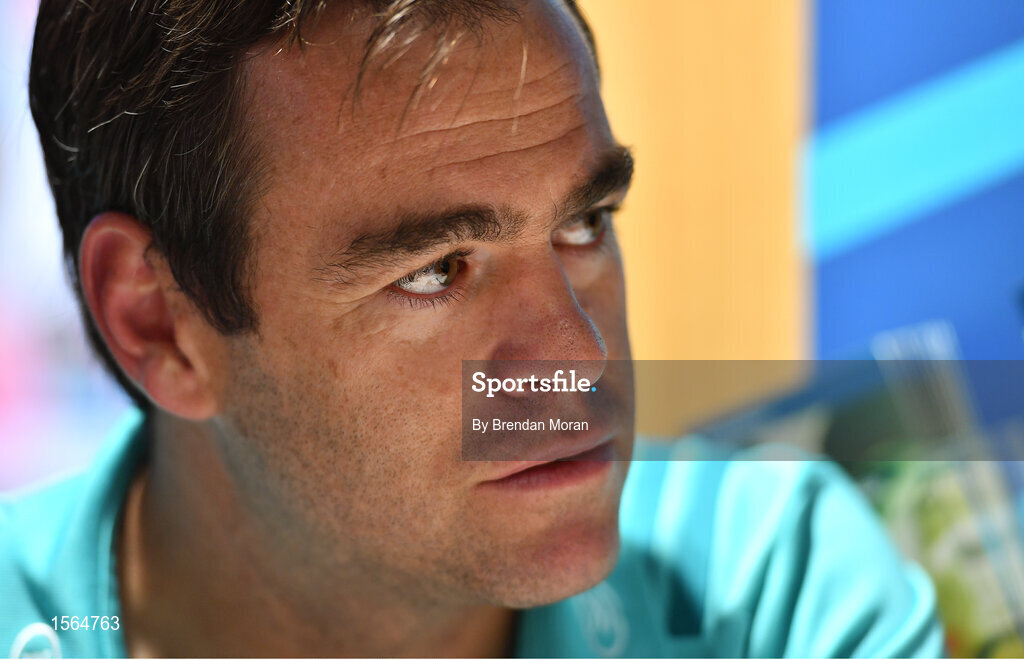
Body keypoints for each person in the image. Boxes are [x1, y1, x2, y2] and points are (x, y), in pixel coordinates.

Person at [1, 1, 943, 657]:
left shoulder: (775, 595)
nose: (580, 360)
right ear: (158, 322)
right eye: (434, 272)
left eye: (584, 225)